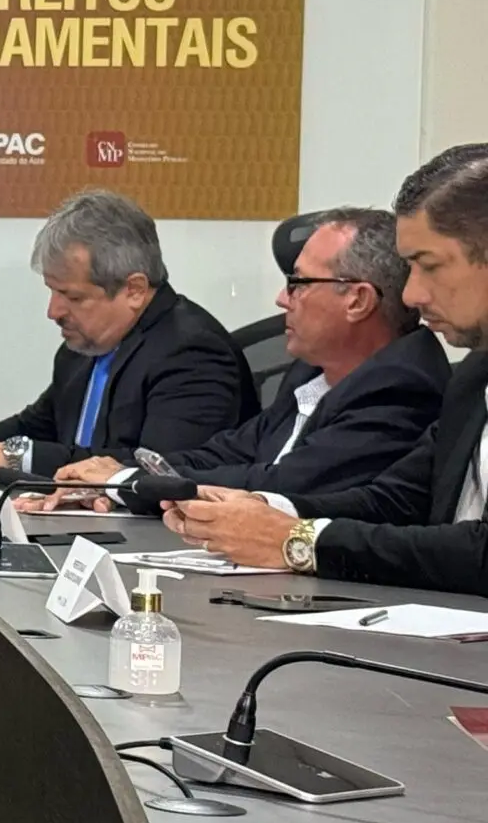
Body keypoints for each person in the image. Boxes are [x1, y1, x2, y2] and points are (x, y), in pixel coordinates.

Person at [169, 147, 488, 592]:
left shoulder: (413, 381)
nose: (411, 295)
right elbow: (396, 500)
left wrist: (299, 542)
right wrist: (261, 510)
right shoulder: (474, 377)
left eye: (429, 266)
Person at [29, 208, 443, 506]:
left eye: (298, 284)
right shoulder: (311, 374)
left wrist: (125, 480)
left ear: (357, 300)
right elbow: (222, 453)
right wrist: (111, 479)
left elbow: (284, 482)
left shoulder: (402, 385)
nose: (282, 299)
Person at [0, 189, 250, 480]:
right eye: (52, 291)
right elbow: (37, 425)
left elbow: (160, 471)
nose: (53, 311)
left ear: (134, 289)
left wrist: (15, 458)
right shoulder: (84, 346)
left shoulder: (192, 352)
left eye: (72, 297)